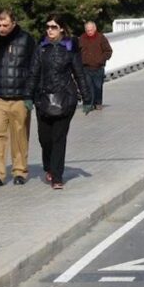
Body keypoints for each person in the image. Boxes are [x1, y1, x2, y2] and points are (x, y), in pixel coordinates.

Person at [27, 14, 92, 190]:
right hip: (43, 100)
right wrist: (28, 97)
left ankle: (57, 176)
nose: (50, 30)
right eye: (48, 27)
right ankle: (48, 166)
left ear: (61, 28)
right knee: (44, 138)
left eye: (53, 27)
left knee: (58, 138)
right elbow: (33, 73)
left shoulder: (70, 48)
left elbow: (79, 73)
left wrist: (87, 99)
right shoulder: (41, 48)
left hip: (65, 99)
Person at [0, 8, 36, 186]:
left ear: (13, 23)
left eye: (5, 25)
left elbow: (35, 67)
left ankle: (19, 171)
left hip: (20, 96)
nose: (1, 28)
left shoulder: (26, 39)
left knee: (19, 136)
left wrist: (31, 94)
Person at [78, 21, 113, 111]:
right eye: (87, 30)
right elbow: (77, 52)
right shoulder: (82, 38)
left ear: (95, 29)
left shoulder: (101, 38)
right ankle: (89, 103)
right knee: (88, 87)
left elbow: (108, 51)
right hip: (86, 67)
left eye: (91, 30)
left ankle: (98, 102)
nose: (89, 32)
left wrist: (101, 60)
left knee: (98, 86)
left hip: (98, 67)